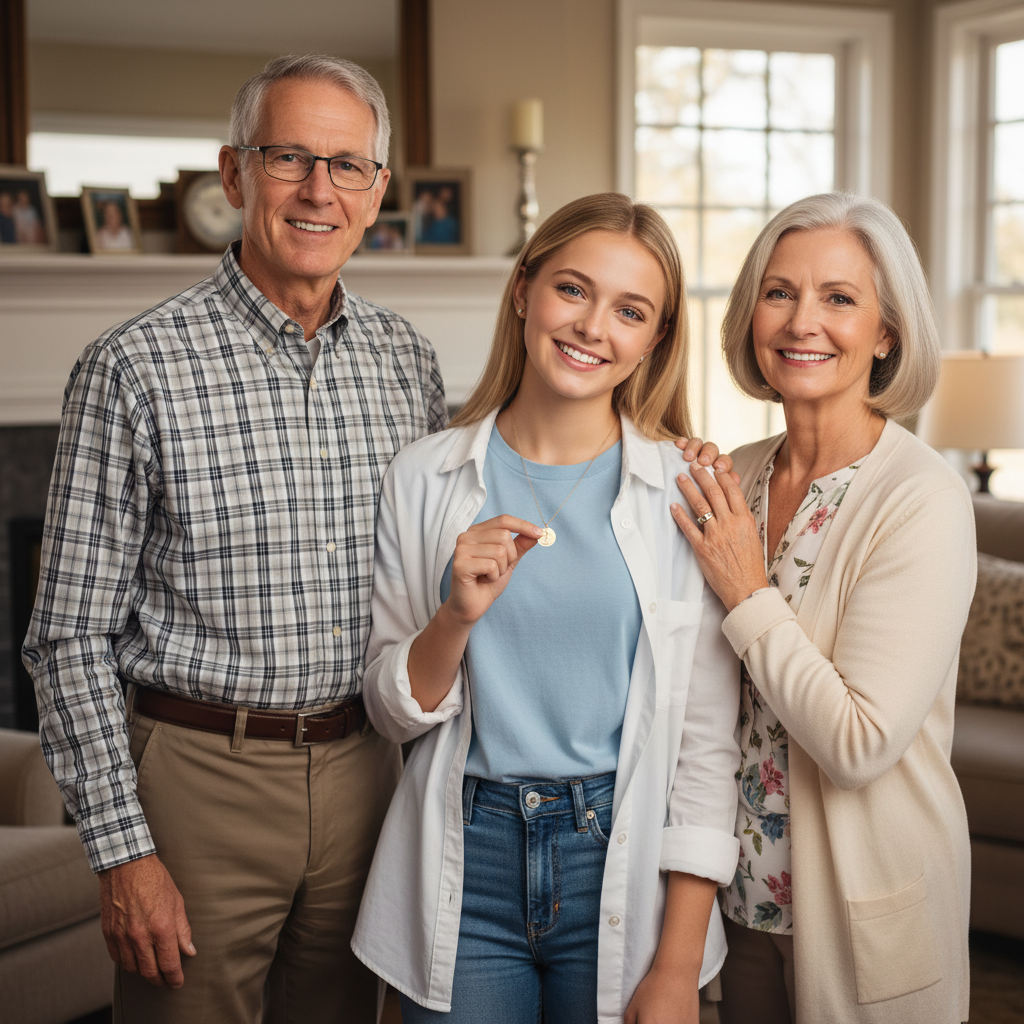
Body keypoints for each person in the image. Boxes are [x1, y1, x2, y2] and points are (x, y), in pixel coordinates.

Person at [23, 54, 446, 1024]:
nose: (317, 190)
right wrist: (124, 850)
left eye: (347, 165)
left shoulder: (409, 362)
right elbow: (67, 634)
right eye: (288, 156)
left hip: (367, 772)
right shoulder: (132, 367)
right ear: (233, 173)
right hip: (196, 780)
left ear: (379, 190)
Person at [351, 192, 742, 1024]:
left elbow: (707, 747)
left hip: (621, 860)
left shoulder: (688, 491)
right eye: (573, 290)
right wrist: (454, 616)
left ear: (655, 340)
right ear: (524, 290)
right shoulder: (423, 478)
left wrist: (677, 969)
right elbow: (392, 711)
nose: (593, 326)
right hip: (467, 861)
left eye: (630, 310)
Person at [670, 192, 975, 1023]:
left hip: (859, 908)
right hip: (736, 897)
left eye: (839, 298)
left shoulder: (924, 500)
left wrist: (745, 587)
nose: (802, 321)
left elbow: (860, 741)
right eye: (780, 292)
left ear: (885, 333)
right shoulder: (735, 474)